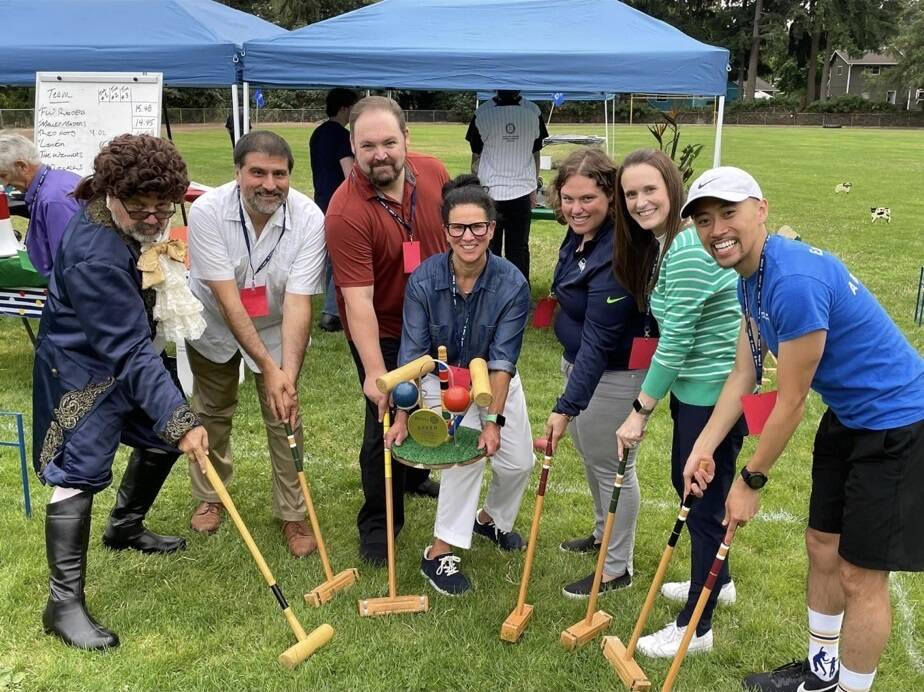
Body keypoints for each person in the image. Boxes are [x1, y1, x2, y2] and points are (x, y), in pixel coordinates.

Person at [680, 166, 924, 692]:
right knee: (821, 546)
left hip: (898, 423)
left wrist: (750, 480)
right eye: (704, 220)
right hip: (848, 415)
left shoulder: (791, 281)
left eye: (728, 212)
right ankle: (821, 674)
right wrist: (703, 446)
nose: (716, 228)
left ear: (761, 210)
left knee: (860, 575)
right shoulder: (752, 277)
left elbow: (788, 402)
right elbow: (746, 373)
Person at [32, 134, 209, 650]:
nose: (155, 220)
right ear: (110, 194)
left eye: (163, 208)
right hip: (82, 371)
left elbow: (135, 348)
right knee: (77, 474)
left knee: (162, 436)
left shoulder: (123, 217)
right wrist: (181, 421)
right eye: (141, 209)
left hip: (128, 357)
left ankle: (125, 526)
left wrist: (175, 421)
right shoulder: (95, 256)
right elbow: (129, 350)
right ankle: (62, 604)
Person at [612, 149, 745, 657]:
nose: (640, 201)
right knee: (693, 490)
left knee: (702, 503)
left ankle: (697, 627)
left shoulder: (688, 248)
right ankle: (719, 582)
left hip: (712, 397)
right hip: (700, 392)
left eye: (650, 190)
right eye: (631, 194)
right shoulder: (672, 245)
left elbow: (676, 343)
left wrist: (638, 411)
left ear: (673, 189)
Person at [386, 175, 533, 595]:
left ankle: (488, 520)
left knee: (518, 462)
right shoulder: (423, 279)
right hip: (443, 381)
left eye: (478, 227)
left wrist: (493, 421)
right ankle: (438, 554)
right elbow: (413, 353)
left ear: (492, 228)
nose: (468, 237)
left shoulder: (513, 284)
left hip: (494, 384)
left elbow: (503, 361)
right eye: (458, 227)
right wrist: (402, 414)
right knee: (464, 460)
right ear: (445, 229)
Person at [185, 131, 326, 558]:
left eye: (279, 174)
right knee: (211, 410)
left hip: (275, 323)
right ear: (237, 173)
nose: (269, 184)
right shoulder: (207, 210)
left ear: (290, 176)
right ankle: (210, 495)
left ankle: (292, 512)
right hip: (213, 320)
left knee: (286, 416)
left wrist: (286, 377)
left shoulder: (309, 218)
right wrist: (268, 367)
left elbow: (300, 302)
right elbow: (228, 300)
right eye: (258, 173)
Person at [326, 96, 448, 566]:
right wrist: (377, 373)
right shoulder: (345, 212)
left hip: (438, 322)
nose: (381, 154)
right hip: (388, 330)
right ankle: (379, 525)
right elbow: (358, 304)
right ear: (353, 148)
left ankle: (415, 479)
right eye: (368, 145)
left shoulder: (433, 172)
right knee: (384, 421)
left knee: (435, 403)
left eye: (389, 142)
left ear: (406, 140)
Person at [541, 148, 648, 598]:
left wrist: (566, 407)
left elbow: (599, 343)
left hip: (615, 372)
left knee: (611, 465)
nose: (575, 208)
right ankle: (602, 533)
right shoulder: (579, 235)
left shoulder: (617, 252)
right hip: (586, 366)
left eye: (587, 199)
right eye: (568, 198)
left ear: (610, 196)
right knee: (593, 454)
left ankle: (616, 567)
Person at [465, 90, 548, 284]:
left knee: (490, 247)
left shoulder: (483, 113)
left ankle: (490, 291)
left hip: (491, 191)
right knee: (517, 248)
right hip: (518, 191)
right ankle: (518, 293)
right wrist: (533, 186)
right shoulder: (533, 111)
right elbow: (535, 153)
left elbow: (476, 158)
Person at [309, 88, 359, 333]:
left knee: (329, 257)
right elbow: (349, 174)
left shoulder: (317, 134)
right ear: (344, 108)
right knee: (341, 258)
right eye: (352, 108)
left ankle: (330, 306)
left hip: (320, 200)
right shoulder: (342, 136)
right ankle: (331, 312)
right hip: (341, 203)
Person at [0, 133, 80, 276]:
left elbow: (70, 265)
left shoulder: (54, 199)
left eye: (4, 175)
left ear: (22, 166)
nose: (4, 185)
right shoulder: (52, 183)